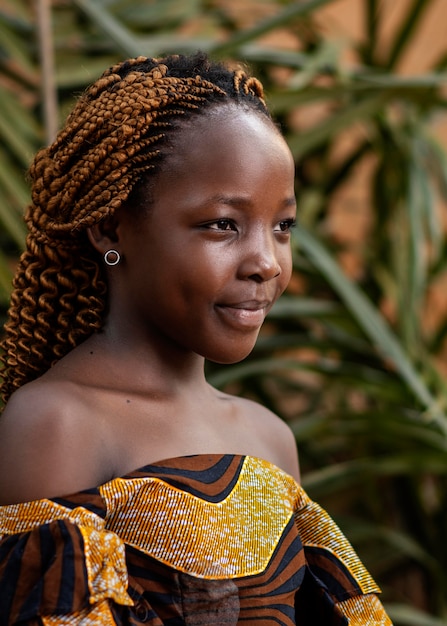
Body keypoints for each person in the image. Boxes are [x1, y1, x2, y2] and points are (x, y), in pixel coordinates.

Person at [0, 52, 392, 625]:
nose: (265, 262)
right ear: (111, 227)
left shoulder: (269, 438)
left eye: (283, 226)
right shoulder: (55, 425)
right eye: (222, 225)